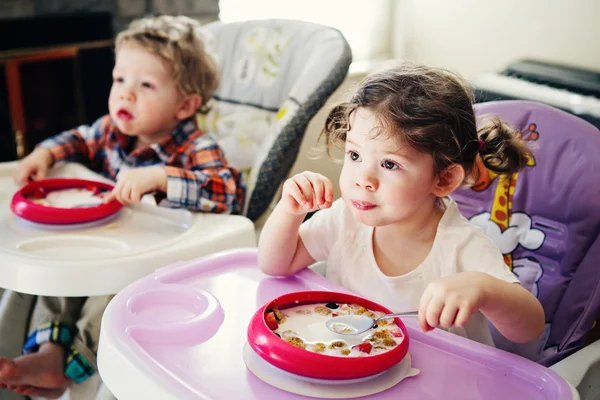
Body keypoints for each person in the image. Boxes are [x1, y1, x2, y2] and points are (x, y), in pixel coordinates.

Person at [0, 15, 243, 399]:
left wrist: (163, 177)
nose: (125, 95)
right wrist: (45, 153)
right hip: (108, 242)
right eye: (119, 80)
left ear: (185, 105)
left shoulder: (197, 146)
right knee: (61, 275)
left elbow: (227, 191)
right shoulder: (112, 131)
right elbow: (78, 139)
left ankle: (72, 361)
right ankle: (48, 350)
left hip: (150, 258)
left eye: (146, 85)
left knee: (109, 294)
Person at [258, 63, 544, 347]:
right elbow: (275, 264)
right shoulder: (344, 219)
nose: (363, 180)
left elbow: (529, 329)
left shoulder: (462, 246)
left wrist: (485, 289)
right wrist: (289, 211)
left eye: (389, 163)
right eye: (355, 155)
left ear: (444, 179)